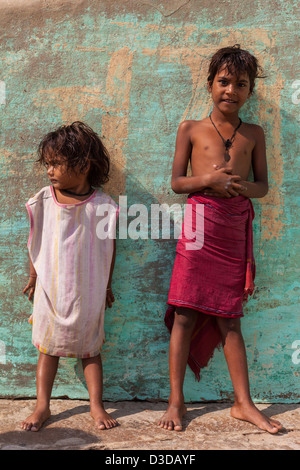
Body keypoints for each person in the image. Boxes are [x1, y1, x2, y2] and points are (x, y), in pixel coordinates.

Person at [158, 45, 283, 434]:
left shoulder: (254, 133)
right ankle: (176, 400)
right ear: (210, 83)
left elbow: (263, 187)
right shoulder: (190, 128)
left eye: (240, 84)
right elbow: (177, 183)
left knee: (230, 320)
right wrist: (209, 181)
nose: (231, 90)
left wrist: (241, 186)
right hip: (198, 230)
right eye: (223, 81)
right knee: (184, 313)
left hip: (232, 232)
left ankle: (243, 403)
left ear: (250, 92)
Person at [21, 121, 118, 431]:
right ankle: (42, 405)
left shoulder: (103, 206)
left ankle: (96, 405)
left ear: (84, 164)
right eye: (47, 163)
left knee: (90, 351)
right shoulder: (45, 200)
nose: (50, 170)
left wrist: (107, 284)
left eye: (57, 163)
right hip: (50, 291)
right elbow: (36, 238)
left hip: (87, 292)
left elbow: (109, 249)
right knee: (48, 350)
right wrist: (34, 276)